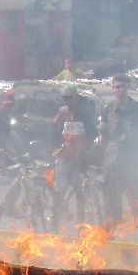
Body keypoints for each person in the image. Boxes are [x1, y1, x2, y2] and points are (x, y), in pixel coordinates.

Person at [96, 73, 138, 236]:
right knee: (111, 204)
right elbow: (103, 132)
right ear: (113, 88)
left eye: (123, 86)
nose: (120, 90)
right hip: (113, 164)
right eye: (117, 87)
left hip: (134, 163)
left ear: (128, 87)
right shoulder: (108, 109)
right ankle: (109, 238)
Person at [52, 86, 97, 228]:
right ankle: (55, 222)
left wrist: (89, 152)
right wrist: (55, 148)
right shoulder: (60, 116)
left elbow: (93, 135)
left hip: (79, 159)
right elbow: (54, 134)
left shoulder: (83, 115)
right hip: (63, 159)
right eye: (65, 98)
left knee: (80, 193)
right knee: (59, 190)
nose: (67, 101)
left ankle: (80, 224)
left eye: (70, 98)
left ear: (76, 99)